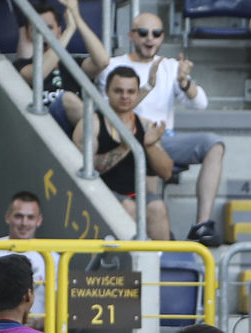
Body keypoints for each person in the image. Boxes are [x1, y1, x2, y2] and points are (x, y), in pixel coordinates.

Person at [96, 13, 227, 246]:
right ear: (131, 35)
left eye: (156, 33)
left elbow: (201, 103)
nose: (150, 38)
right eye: (143, 33)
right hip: (126, 136)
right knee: (148, 179)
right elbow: (111, 112)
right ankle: (154, 241)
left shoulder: (171, 66)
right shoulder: (114, 65)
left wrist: (185, 82)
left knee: (214, 144)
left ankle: (202, 225)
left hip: (163, 139)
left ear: (162, 37)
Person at [75, 66, 175, 241]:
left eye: (130, 91)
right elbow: (86, 168)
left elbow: (166, 172)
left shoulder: (145, 125)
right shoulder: (92, 123)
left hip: (136, 194)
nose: (125, 96)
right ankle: (130, 264)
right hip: (101, 193)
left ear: (137, 94)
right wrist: (124, 147)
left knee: (157, 207)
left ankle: (161, 265)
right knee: (128, 208)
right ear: (107, 91)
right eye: (118, 91)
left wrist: (150, 147)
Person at [15, 0, 110, 136]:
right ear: (29, 35)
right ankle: (106, 135)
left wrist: (77, 18)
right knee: (67, 99)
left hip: (77, 131)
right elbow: (38, 75)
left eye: (49, 28)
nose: (44, 34)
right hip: (42, 130)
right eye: (37, 28)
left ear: (59, 30)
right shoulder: (20, 65)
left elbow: (102, 61)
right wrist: (70, 30)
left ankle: (102, 136)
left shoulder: (73, 64)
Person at [0, 191, 52, 330]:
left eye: (30, 217)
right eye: (19, 216)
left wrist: (38, 323)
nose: (24, 223)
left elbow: (60, 306)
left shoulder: (52, 258)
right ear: (8, 217)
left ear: (39, 220)